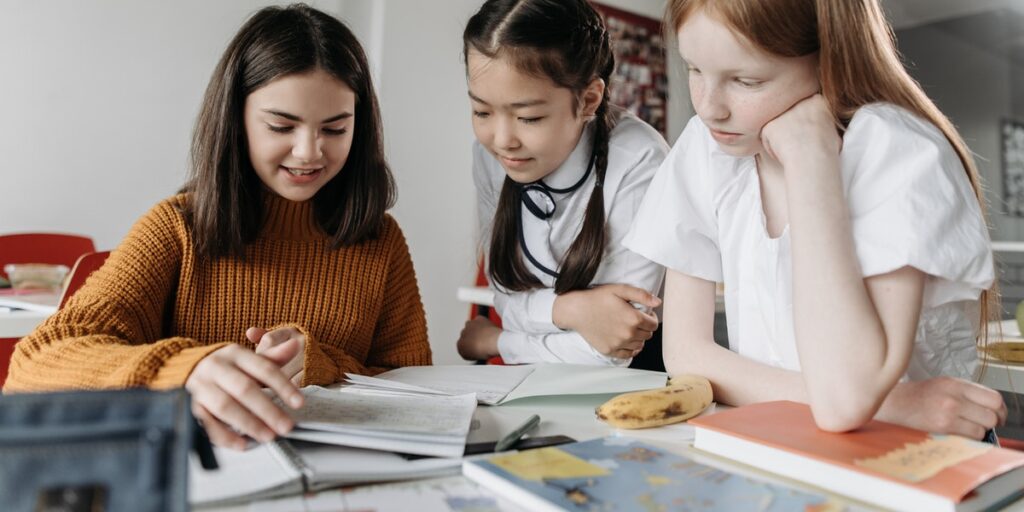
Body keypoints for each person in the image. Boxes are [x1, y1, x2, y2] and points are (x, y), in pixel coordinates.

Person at [4, 4, 431, 449]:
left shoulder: (380, 239)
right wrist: (184, 369)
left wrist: (318, 365)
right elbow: (33, 366)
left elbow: (415, 387)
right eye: (282, 126)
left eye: (335, 129)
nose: (309, 152)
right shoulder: (176, 229)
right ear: (237, 120)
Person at [624, 0, 1007, 438]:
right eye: (693, 69)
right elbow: (688, 356)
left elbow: (843, 401)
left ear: (830, 58)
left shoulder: (895, 151)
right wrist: (894, 406)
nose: (710, 108)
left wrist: (810, 157)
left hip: (912, 453)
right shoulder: (704, 148)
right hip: (784, 438)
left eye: (747, 80)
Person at [456, 0, 669, 367]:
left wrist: (497, 341)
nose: (502, 139)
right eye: (482, 112)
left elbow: (613, 348)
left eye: (529, 117)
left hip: (627, 381)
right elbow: (505, 296)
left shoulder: (640, 160)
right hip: (528, 379)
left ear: (589, 100)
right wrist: (571, 310)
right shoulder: (490, 158)